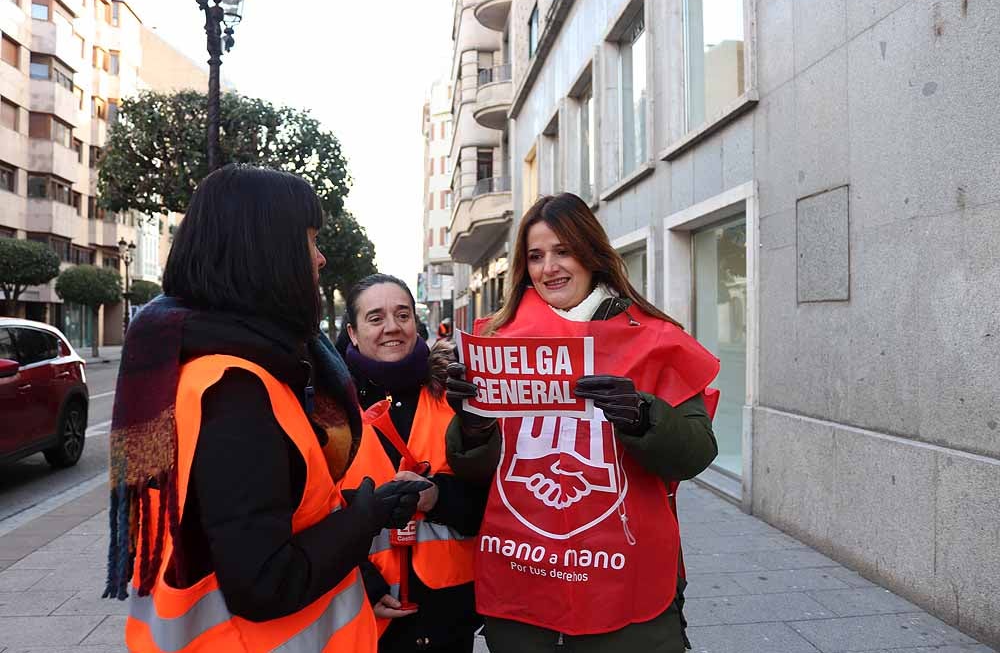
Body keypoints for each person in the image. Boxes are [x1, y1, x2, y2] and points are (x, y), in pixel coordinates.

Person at [103, 164, 429, 652]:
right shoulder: (235, 387)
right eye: (309, 240)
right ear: (266, 254)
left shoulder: (228, 364)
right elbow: (265, 583)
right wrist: (364, 518)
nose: (319, 259)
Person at [445, 193, 721, 653]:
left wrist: (642, 416)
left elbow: (696, 452)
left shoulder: (655, 338)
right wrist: (473, 425)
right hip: (522, 579)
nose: (548, 267)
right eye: (535, 256)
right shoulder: (495, 339)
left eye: (563, 251)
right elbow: (476, 472)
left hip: (628, 587)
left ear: (591, 253)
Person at [338, 273, 486, 653]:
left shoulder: (456, 397)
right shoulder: (330, 411)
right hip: (362, 611)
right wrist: (363, 583)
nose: (392, 327)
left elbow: (492, 504)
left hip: (448, 614)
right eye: (376, 318)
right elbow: (311, 513)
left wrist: (437, 498)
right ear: (353, 333)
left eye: (402, 315)